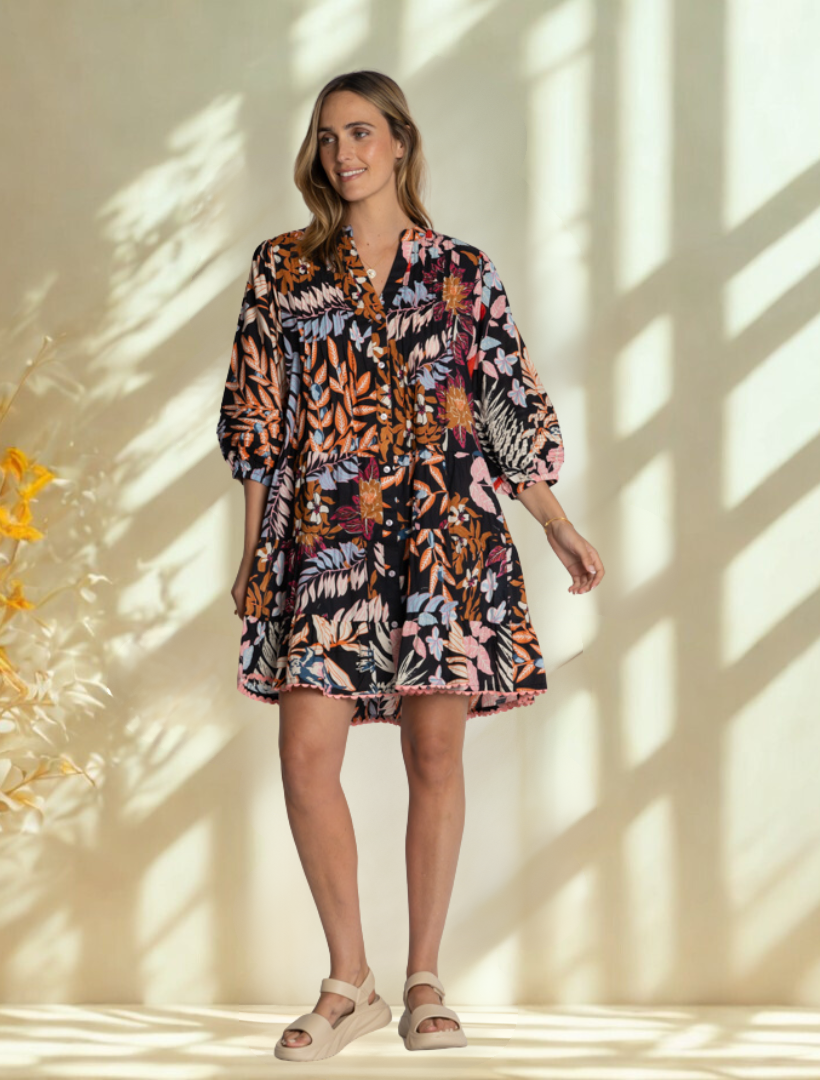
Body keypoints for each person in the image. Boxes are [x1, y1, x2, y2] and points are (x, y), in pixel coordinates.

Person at [216, 70, 604, 1062]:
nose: (343, 153)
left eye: (360, 133)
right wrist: (255, 551)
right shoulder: (284, 268)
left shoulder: (461, 270)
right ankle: (349, 981)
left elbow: (503, 403)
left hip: (445, 537)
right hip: (326, 537)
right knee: (306, 753)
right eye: (327, 136)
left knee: (435, 755)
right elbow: (259, 415)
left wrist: (555, 524)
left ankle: (425, 978)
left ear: (398, 141)